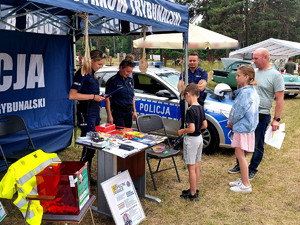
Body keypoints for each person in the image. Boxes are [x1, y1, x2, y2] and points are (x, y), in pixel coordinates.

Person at [228, 48, 284, 180]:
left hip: (262, 114)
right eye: (253, 58)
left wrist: (276, 119)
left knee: (257, 143)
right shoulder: (253, 72)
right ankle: (240, 165)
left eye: (256, 58)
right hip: (247, 113)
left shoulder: (275, 75)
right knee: (242, 141)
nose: (253, 60)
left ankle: (252, 168)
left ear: (265, 58)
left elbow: (280, 98)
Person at [69, 50, 106, 185]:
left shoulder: (92, 74)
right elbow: (72, 95)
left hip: (94, 111)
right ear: (91, 60)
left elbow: (91, 92)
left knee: (92, 146)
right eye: (99, 64)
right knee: (88, 145)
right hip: (86, 113)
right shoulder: (82, 73)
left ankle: (86, 175)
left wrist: (100, 97)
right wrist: (93, 97)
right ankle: (80, 179)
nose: (100, 67)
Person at [227, 65, 259, 193]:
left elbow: (238, 112)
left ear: (246, 77)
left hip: (241, 127)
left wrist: (231, 122)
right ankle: (243, 179)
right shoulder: (252, 90)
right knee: (240, 155)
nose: (236, 78)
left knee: (240, 155)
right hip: (247, 127)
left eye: (238, 75)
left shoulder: (245, 93)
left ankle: (246, 185)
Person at [178, 83, 207, 201]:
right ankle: (194, 188)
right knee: (196, 165)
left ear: (188, 94)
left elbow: (192, 129)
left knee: (191, 167)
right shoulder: (200, 107)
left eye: (185, 98)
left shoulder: (190, 110)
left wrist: (182, 131)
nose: (186, 100)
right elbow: (204, 125)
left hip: (191, 140)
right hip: (199, 138)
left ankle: (192, 193)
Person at [177, 52, 208, 128]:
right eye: (190, 60)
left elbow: (201, 88)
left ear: (198, 61)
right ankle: (184, 137)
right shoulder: (184, 73)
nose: (192, 62)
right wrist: (196, 85)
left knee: (198, 122)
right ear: (188, 61)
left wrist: (187, 86)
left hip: (198, 101)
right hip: (185, 101)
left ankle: (196, 137)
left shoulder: (203, 73)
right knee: (185, 122)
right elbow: (180, 88)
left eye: (194, 60)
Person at [105, 59, 137, 128]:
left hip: (128, 112)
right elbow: (107, 99)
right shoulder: (113, 81)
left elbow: (132, 97)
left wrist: (134, 111)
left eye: (130, 72)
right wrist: (109, 115)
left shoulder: (130, 80)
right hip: (118, 112)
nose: (129, 73)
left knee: (128, 133)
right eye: (127, 71)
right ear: (121, 68)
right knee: (120, 134)